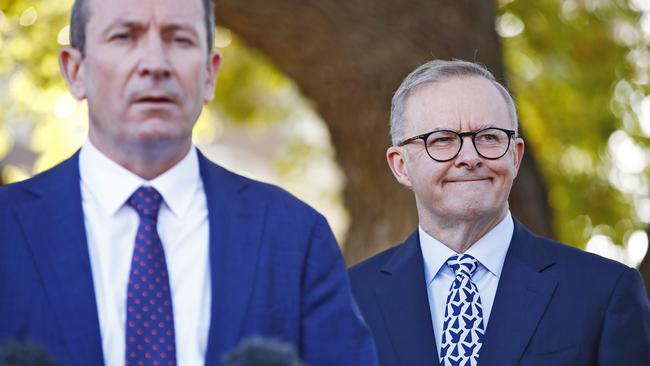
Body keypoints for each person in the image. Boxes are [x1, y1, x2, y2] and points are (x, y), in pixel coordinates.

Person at [0, 0, 377, 365]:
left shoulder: (294, 235)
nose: (155, 64)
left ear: (210, 74)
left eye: (179, 39)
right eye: (125, 36)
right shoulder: (7, 229)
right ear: (75, 71)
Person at [349, 59, 650, 366]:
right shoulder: (348, 301)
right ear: (401, 166)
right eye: (442, 140)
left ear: (516, 156)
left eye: (489, 137)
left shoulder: (604, 292)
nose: (469, 157)